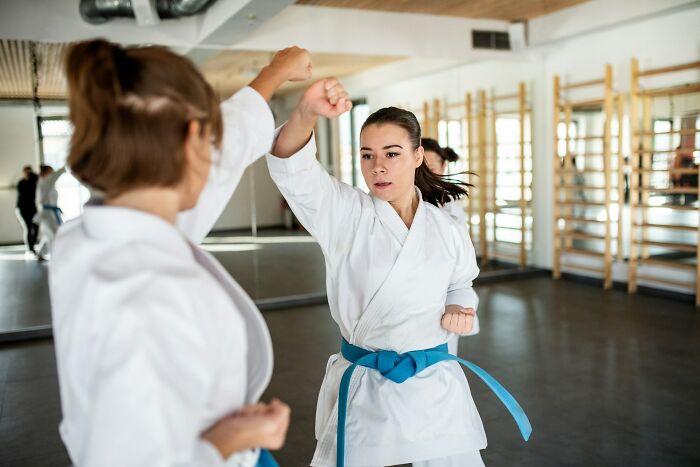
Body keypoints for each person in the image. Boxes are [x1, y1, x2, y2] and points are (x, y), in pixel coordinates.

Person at [49, 39, 311, 466]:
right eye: (209, 137)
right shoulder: (152, 289)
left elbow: (226, 146)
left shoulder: (85, 240)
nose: (214, 154)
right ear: (193, 138)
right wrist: (232, 438)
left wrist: (275, 73)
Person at [267, 79, 530, 467]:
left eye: (392, 153)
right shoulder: (345, 214)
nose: (379, 167)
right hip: (369, 383)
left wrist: (460, 306)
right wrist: (306, 111)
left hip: (433, 382)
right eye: (368, 155)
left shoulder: (445, 227)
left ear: (418, 155)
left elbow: (461, 282)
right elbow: (293, 170)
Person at [422, 138, 472, 355]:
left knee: (444, 352)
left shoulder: (451, 205)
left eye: (432, 168)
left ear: (443, 167)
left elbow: (461, 262)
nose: (426, 174)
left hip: (445, 288)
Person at [33, 164, 67, 260]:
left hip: (49, 212)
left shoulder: (45, 183)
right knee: (56, 233)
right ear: (45, 172)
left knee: (48, 234)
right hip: (48, 213)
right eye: (50, 171)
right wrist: (65, 167)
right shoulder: (45, 181)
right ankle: (57, 256)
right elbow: (55, 176)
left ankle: (40, 253)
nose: (52, 173)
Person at [15, 165, 39, 257]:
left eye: (30, 172)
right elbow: (26, 194)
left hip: (32, 208)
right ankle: (30, 249)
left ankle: (33, 246)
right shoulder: (21, 182)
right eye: (27, 172)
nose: (29, 174)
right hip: (22, 208)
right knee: (28, 228)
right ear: (24, 173)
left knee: (36, 226)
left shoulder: (34, 181)